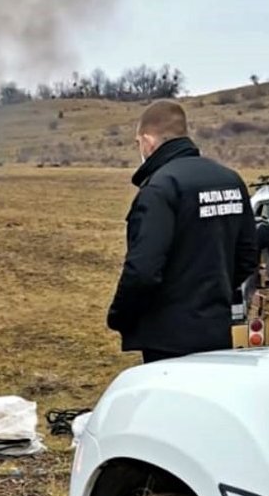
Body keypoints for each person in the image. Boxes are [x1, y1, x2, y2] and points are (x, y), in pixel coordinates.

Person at [107, 100, 259, 362]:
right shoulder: (230, 180)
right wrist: (214, 292)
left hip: (167, 342)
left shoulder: (159, 189)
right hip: (217, 331)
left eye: (138, 143)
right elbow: (247, 256)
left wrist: (120, 316)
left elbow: (143, 271)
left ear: (148, 140)